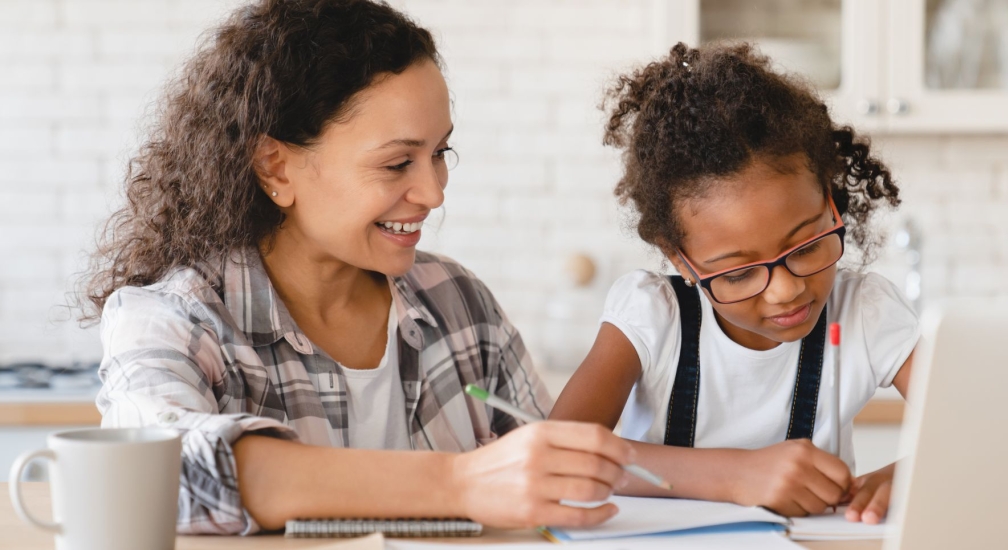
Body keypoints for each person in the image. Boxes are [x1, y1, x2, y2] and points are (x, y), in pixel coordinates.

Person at [85, 0, 631, 535]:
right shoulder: (175, 319)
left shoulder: (459, 302)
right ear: (276, 166)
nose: (434, 192)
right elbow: (161, 473)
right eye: (398, 163)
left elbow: (551, 474)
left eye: (440, 153)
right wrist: (457, 483)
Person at [550, 42, 920, 525]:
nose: (785, 290)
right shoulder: (651, 314)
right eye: (740, 272)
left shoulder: (865, 312)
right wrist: (734, 474)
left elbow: (987, 429)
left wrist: (911, 472)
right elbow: (557, 455)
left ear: (832, 205)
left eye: (807, 246)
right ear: (679, 259)